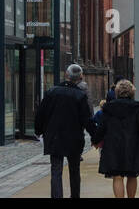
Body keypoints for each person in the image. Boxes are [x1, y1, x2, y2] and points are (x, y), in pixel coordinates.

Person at [35, 63, 95, 198]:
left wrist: (38, 130)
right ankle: (75, 196)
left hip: (54, 136)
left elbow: (41, 113)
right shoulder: (80, 95)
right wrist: (95, 136)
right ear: (80, 77)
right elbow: (87, 119)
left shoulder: (52, 92)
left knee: (56, 170)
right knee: (74, 170)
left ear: (66, 75)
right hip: (74, 137)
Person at [91, 79, 139, 198]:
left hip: (113, 145)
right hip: (133, 144)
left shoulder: (108, 107)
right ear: (132, 92)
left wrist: (95, 140)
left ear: (117, 92)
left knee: (117, 176)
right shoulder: (138, 106)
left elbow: (102, 126)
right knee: (132, 174)